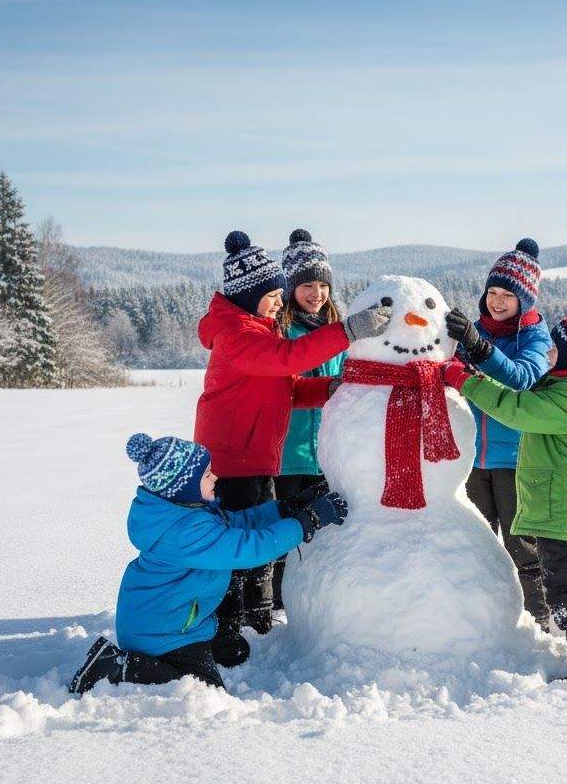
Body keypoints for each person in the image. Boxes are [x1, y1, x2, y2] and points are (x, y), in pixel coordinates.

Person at [193, 231, 389, 647]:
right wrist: (348, 330)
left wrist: (329, 390)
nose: (280, 302)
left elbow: (289, 386)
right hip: (232, 461)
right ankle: (228, 627)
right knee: (235, 547)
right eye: (273, 295)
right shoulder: (237, 335)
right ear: (249, 295)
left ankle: (259, 616)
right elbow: (289, 359)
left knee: (259, 539)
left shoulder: (256, 328)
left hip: (259, 458)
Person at [68, 432, 347, 695]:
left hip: (169, 622)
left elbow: (239, 523)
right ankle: (114, 668)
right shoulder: (185, 533)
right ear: (183, 486)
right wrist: (307, 522)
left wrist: (287, 508)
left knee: (222, 666)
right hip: (162, 635)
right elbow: (251, 548)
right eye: (206, 474)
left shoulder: (186, 514)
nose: (215, 476)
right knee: (204, 690)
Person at [442, 310, 567, 678]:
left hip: (564, 511)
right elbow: (521, 392)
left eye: (556, 351)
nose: (549, 356)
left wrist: (463, 381)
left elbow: (516, 409)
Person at [443, 238, 553, 630]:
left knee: (524, 549)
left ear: (525, 299)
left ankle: (540, 621)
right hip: (471, 459)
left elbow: (522, 379)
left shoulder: (536, 339)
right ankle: (482, 621)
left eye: (508, 295)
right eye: (492, 292)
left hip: (516, 460)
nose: (497, 301)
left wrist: (478, 347)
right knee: (477, 545)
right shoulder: (472, 332)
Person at [273, 229, 346, 617]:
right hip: (287, 454)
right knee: (286, 534)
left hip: (325, 454)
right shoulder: (283, 332)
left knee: (323, 534)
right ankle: (279, 603)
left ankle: (316, 601)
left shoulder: (337, 332)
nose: (316, 293)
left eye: (322, 285)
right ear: (290, 288)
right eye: (306, 285)